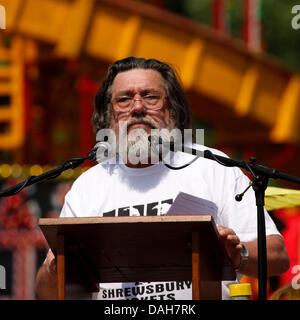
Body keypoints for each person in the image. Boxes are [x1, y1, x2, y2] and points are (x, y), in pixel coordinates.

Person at [36, 57, 290, 300]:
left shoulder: (213, 166)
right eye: (124, 99)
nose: (137, 107)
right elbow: (48, 292)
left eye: (150, 96)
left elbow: (278, 257)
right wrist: (55, 269)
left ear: (172, 110)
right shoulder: (88, 185)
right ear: (108, 116)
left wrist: (238, 255)